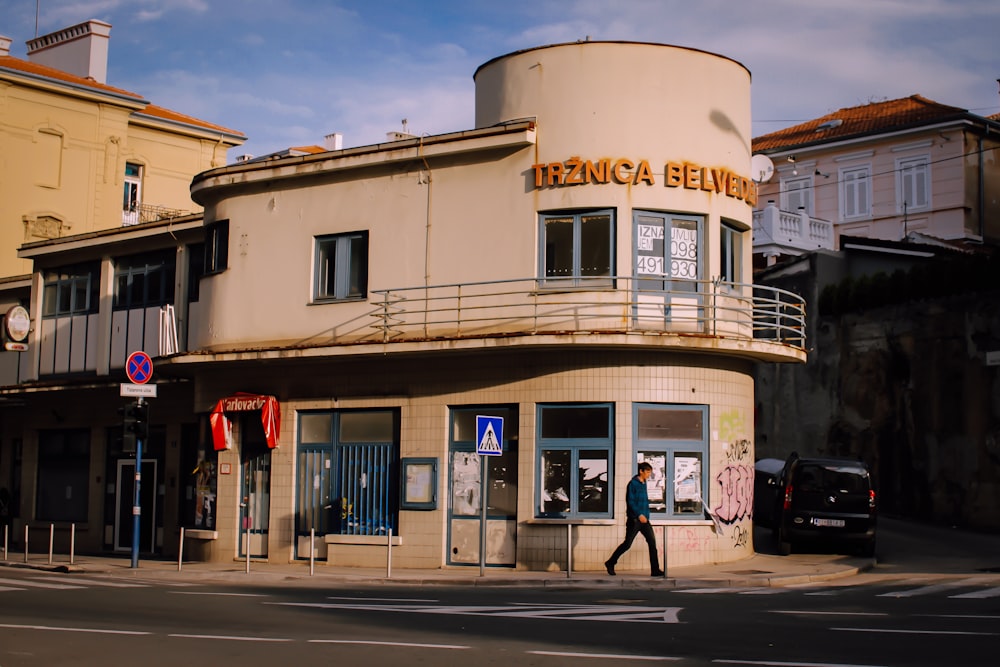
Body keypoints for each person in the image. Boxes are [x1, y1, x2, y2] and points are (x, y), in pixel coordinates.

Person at [605, 462, 663, 576]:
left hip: (645, 520)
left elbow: (644, 501)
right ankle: (610, 562)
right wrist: (639, 515)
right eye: (647, 472)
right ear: (641, 471)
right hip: (635, 520)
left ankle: (655, 570)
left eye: (650, 472)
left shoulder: (644, 483)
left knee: (652, 543)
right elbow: (630, 502)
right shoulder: (633, 484)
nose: (648, 475)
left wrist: (646, 515)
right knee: (627, 544)